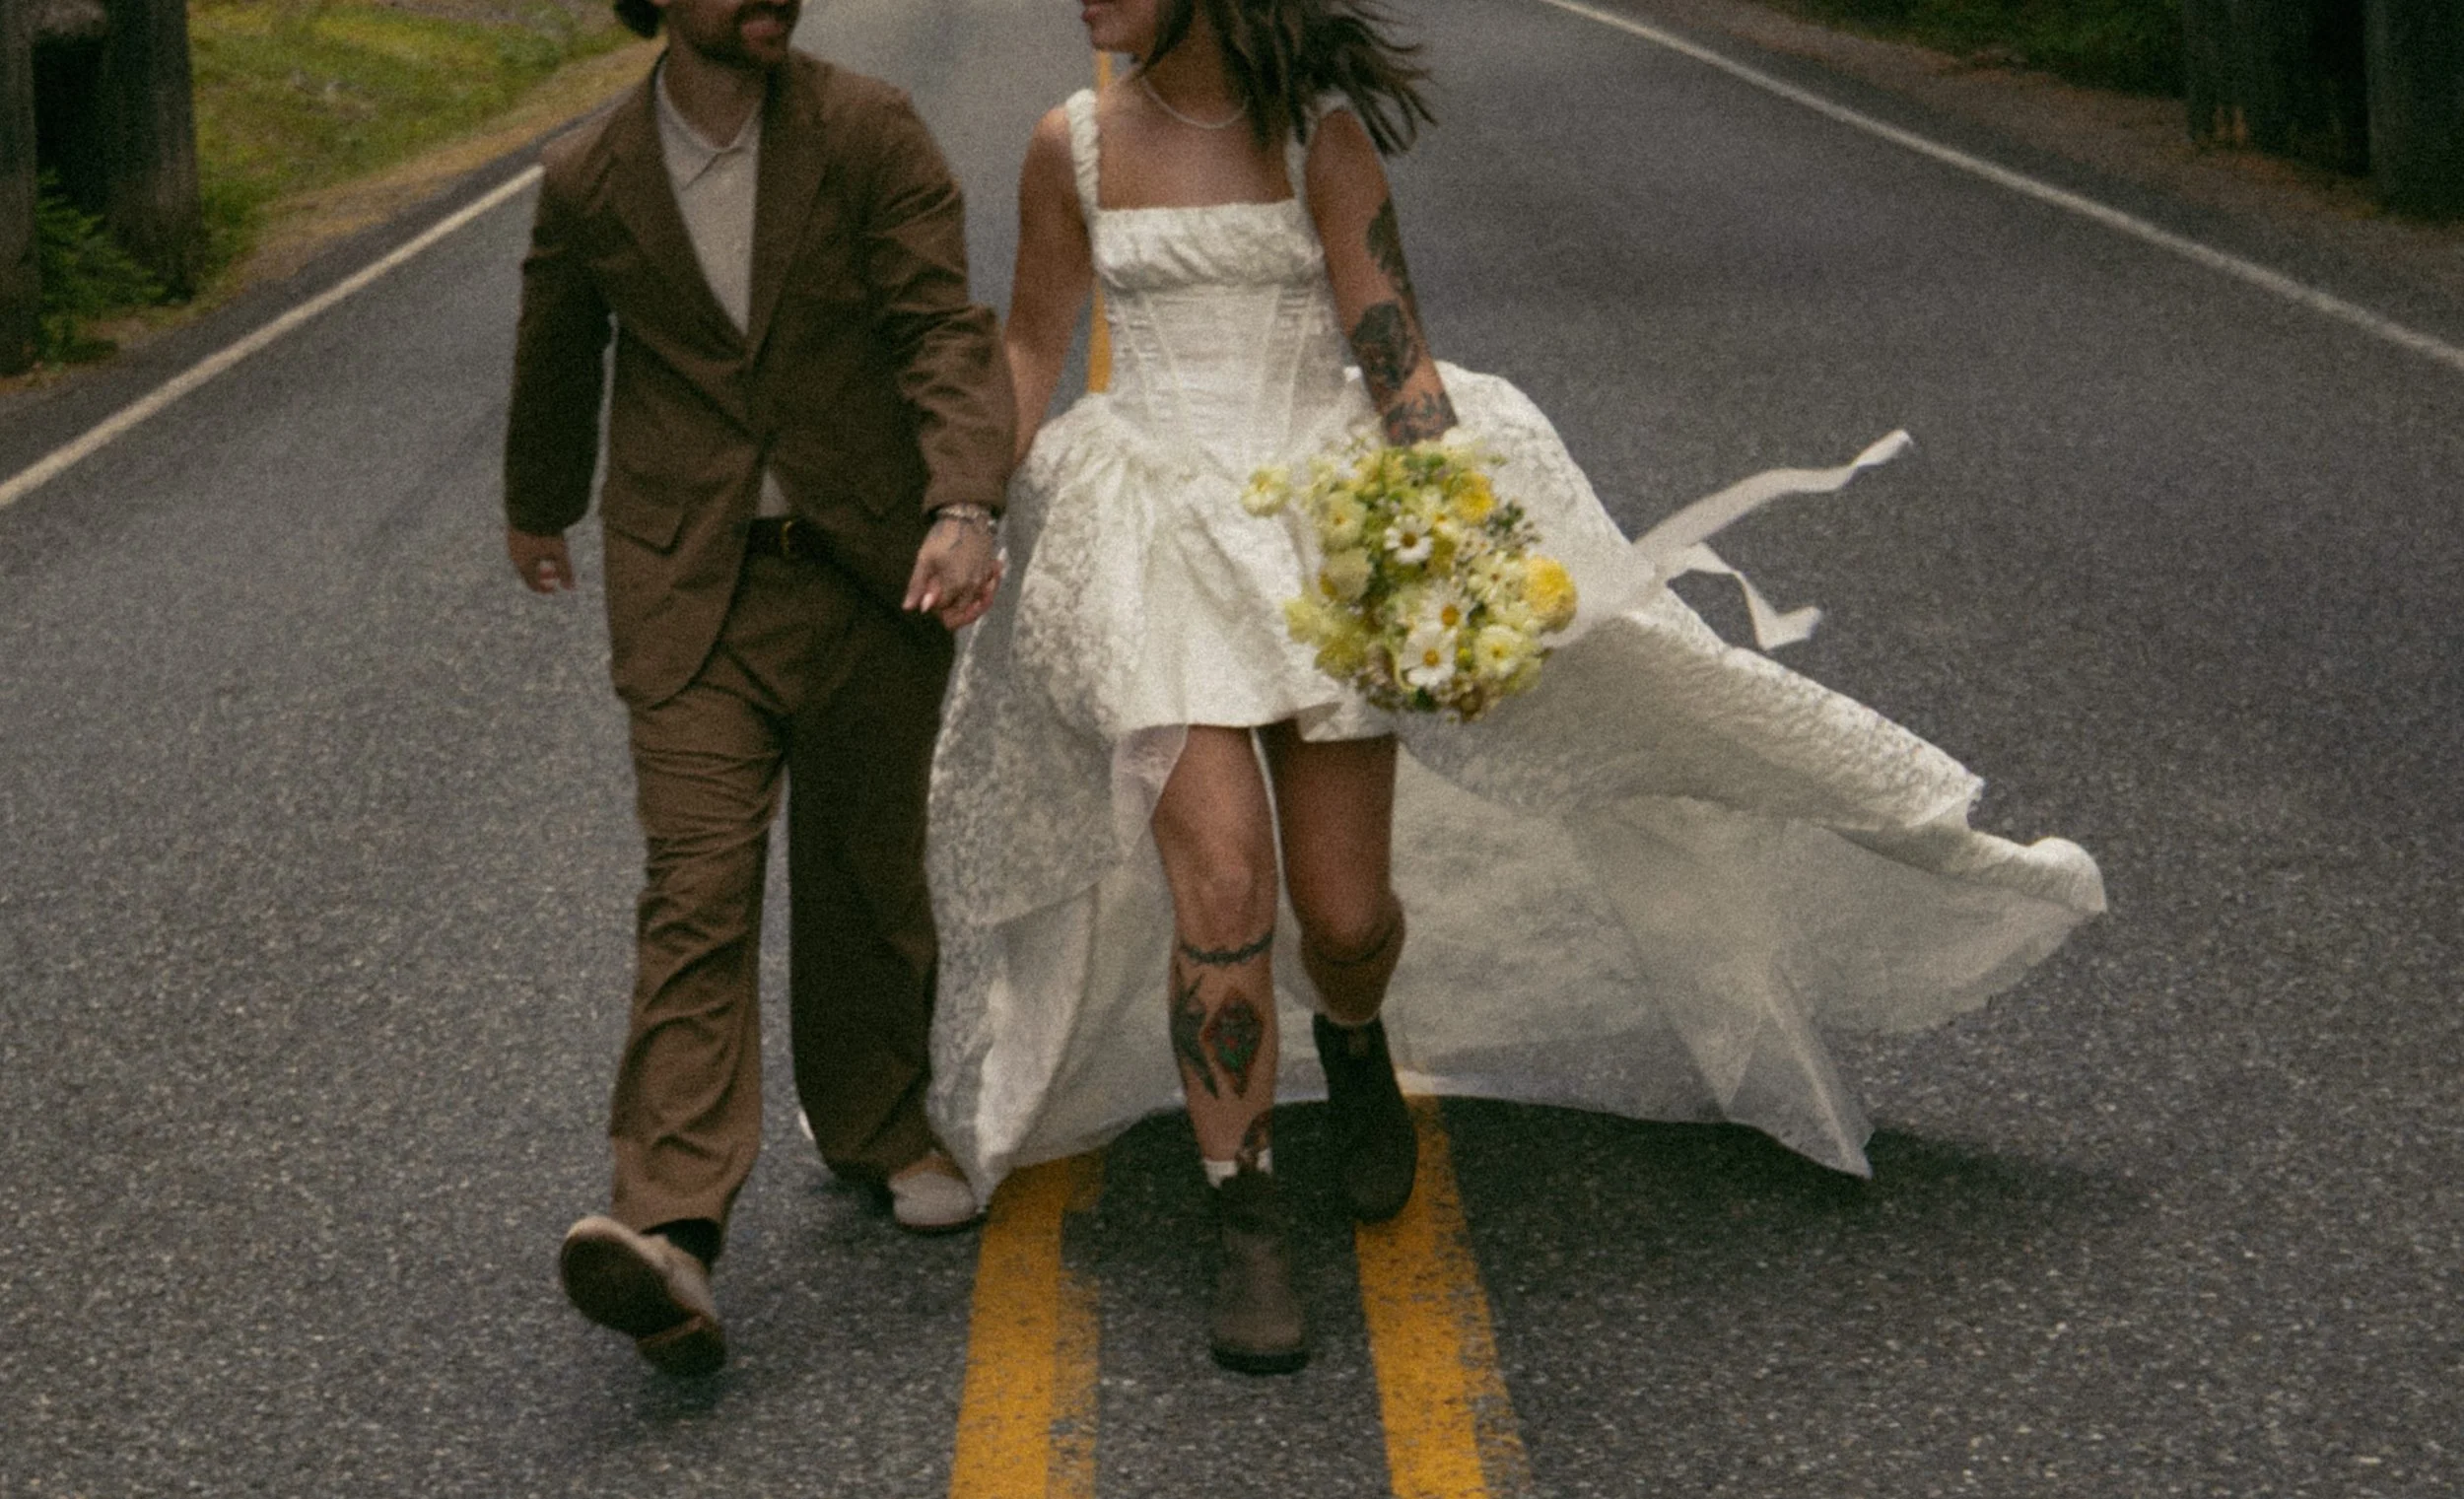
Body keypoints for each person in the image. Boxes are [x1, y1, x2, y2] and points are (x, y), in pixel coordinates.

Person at [926, 0, 2104, 1375]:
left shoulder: (1321, 138)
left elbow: (1394, 352)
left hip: (1319, 537)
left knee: (1346, 917)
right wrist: (966, 501)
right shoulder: (1067, 147)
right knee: (1224, 884)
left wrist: (1449, 547)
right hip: (1153, 544)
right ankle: (1244, 1214)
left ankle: (1354, 1035)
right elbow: (1030, 340)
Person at [501, 0, 1014, 1376]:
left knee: (864, 872)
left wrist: (966, 497)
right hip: (694, 586)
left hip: (861, 569)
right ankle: (669, 1227)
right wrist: (538, 503)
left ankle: (878, 1123)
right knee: (698, 880)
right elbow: (559, 345)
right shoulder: (590, 173)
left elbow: (941, 329)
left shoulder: (866, 131)